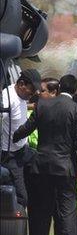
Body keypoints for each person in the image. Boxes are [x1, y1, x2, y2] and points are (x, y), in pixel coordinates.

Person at [13, 74, 77, 235]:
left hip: (40, 168)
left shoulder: (42, 105)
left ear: (58, 88)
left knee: (40, 216)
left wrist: (11, 136)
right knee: (66, 215)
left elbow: (24, 130)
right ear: (75, 90)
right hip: (65, 169)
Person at [24, 77, 59, 235]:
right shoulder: (36, 110)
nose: (38, 93)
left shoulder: (40, 111)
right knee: (38, 216)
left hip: (39, 166)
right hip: (36, 166)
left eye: (42, 91)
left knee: (41, 216)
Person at [1, 69, 41, 207]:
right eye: (32, 90)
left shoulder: (21, 95)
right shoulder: (7, 98)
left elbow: (19, 107)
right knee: (21, 198)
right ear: (22, 84)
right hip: (10, 155)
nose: (34, 93)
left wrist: (33, 106)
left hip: (23, 150)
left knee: (47, 164)